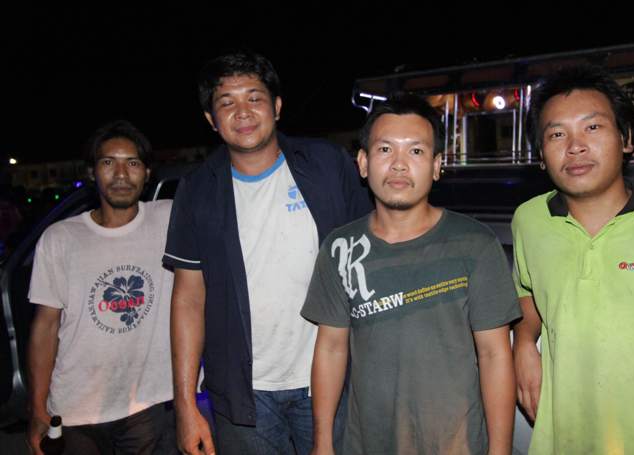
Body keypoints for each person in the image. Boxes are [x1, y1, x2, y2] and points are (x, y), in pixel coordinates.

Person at [163, 51, 372, 455]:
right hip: (243, 394)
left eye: (254, 98)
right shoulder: (197, 190)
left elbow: (372, 251)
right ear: (211, 119)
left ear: (276, 106)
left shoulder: (326, 165)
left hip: (332, 377)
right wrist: (186, 404)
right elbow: (188, 298)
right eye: (227, 102)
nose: (242, 112)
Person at [301, 94, 520, 455]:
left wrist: (500, 451)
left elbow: (495, 355)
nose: (399, 165)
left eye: (416, 151)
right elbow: (331, 347)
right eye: (385, 149)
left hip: (456, 444)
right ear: (363, 163)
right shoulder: (340, 248)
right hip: (367, 443)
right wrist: (322, 443)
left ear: (436, 166)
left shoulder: (475, 243)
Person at [512, 65, 634, 454]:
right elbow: (527, 290)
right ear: (541, 156)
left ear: (626, 140)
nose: (575, 146)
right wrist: (523, 342)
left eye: (592, 127)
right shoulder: (529, 221)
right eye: (557, 134)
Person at [26, 120, 176, 454]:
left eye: (132, 163)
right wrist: (37, 407)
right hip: (75, 408)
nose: (121, 174)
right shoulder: (60, 238)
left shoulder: (169, 218)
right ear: (92, 172)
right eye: (108, 162)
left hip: (148, 404)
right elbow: (45, 327)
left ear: (147, 173)